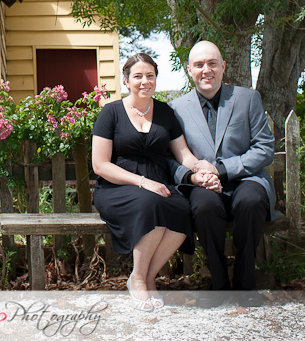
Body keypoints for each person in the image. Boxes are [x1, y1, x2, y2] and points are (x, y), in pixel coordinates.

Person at [92, 52, 220, 310]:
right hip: (119, 185)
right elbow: (100, 165)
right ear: (126, 80)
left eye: (150, 75)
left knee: (182, 209)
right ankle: (137, 278)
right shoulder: (111, 113)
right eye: (137, 76)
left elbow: (182, 154)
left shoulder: (165, 112)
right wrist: (141, 181)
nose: (144, 81)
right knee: (152, 203)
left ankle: (149, 278)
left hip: (158, 185)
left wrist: (202, 169)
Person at [169, 41, 275, 290]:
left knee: (251, 201)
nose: (206, 70)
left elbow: (264, 149)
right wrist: (195, 177)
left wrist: (221, 169)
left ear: (223, 67)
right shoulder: (176, 109)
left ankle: (245, 276)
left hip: (245, 180)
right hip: (202, 186)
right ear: (189, 70)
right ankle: (218, 279)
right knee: (204, 207)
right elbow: (170, 159)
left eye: (212, 63)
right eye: (199, 64)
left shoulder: (247, 98)